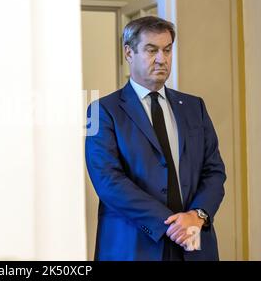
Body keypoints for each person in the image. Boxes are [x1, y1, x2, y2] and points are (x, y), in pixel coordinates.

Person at [85, 16, 226, 261]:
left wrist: (197, 215)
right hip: (133, 245)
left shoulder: (195, 107)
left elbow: (214, 171)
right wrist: (171, 225)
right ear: (129, 53)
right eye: (152, 50)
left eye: (167, 50)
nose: (162, 59)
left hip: (193, 243)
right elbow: (108, 180)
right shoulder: (101, 111)